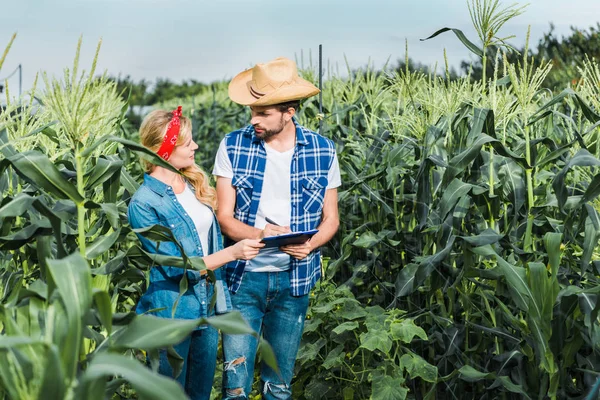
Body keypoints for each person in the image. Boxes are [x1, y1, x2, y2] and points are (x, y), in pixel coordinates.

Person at [213, 57, 341, 399]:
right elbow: (224, 216)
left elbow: (331, 220)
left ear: (290, 111)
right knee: (235, 387)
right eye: (252, 111)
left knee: (279, 385)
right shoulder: (232, 145)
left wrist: (311, 245)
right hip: (243, 279)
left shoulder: (323, 150)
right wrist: (259, 235)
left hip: (293, 280)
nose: (253, 119)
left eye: (263, 113)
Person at [128, 106, 264, 400]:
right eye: (187, 142)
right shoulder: (144, 203)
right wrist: (234, 252)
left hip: (207, 306)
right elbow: (179, 266)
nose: (196, 147)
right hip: (173, 313)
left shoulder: (191, 183)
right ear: (165, 149)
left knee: (200, 394)